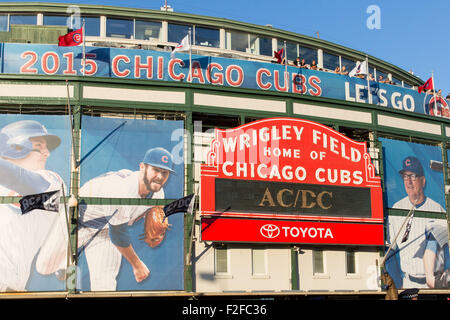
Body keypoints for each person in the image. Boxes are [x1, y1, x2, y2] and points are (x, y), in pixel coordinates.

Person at [77, 147, 175, 291]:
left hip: (105, 230)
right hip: (77, 221)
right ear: (142, 167)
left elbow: (157, 211)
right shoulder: (123, 189)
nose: (160, 176)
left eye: (164, 172)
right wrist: (137, 265)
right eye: (156, 170)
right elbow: (118, 233)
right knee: (45, 266)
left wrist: (158, 229)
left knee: (105, 285)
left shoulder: (158, 192)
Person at [0, 120, 68, 292]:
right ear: (15, 148)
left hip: (7, 287)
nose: (47, 153)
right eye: (39, 146)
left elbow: (19, 178)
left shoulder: (51, 181)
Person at [387, 156, 449, 289]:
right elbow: (389, 251)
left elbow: (446, 249)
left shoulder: (437, 209)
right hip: (409, 282)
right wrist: (398, 285)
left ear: (423, 181)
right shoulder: (396, 209)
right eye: (405, 176)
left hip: (435, 284)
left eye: (413, 176)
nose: (409, 181)